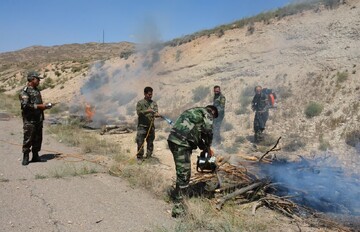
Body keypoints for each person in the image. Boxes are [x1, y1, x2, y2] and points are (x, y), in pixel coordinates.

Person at [167, 105, 218, 217]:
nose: (212, 119)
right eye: (214, 117)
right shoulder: (207, 113)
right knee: (184, 174)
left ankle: (177, 196)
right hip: (182, 144)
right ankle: (179, 208)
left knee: (181, 171)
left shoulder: (194, 111)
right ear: (213, 112)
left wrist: (203, 147)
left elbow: (195, 132)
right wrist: (208, 146)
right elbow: (208, 131)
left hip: (173, 140)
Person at [19, 71, 53, 165]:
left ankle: (35, 156)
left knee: (38, 138)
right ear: (31, 79)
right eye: (37, 79)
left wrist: (45, 107)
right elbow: (25, 105)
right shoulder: (25, 91)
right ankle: (26, 157)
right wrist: (39, 106)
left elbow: (38, 104)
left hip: (38, 119)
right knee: (28, 139)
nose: (39, 81)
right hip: (30, 120)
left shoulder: (37, 90)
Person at [136, 86, 160, 162]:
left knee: (150, 142)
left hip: (151, 126)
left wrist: (156, 114)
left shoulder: (154, 103)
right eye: (149, 94)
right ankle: (140, 157)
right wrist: (148, 111)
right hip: (142, 126)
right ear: (145, 94)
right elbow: (139, 113)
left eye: (151, 94)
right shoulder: (140, 103)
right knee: (140, 142)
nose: (150, 96)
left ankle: (149, 156)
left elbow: (156, 112)